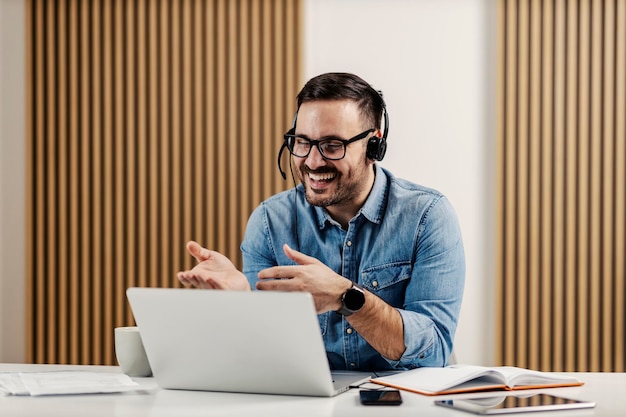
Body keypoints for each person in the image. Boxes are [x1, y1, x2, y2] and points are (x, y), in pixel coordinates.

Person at [177, 72, 465, 371]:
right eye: (302, 142)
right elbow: (267, 359)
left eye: (331, 145)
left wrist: (345, 297)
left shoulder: (427, 216)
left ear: (374, 147)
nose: (313, 162)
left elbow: (434, 353)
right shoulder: (269, 222)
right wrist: (241, 303)